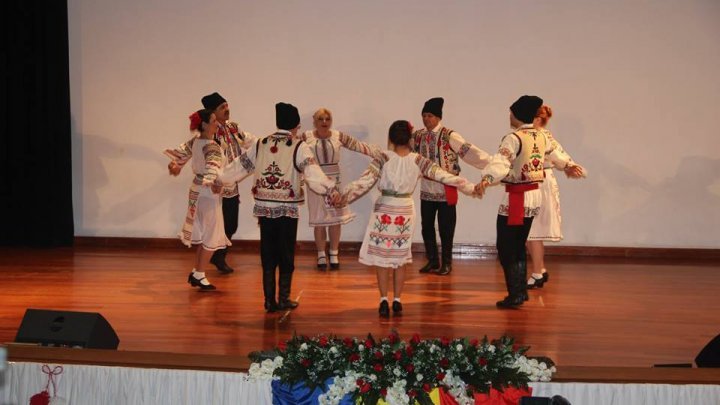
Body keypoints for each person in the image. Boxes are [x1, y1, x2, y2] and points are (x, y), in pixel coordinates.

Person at [337, 120, 475, 317]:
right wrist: (471, 187)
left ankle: (384, 299)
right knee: (400, 258)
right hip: (404, 209)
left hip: (385, 208)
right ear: (410, 138)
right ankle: (398, 301)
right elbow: (445, 176)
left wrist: (342, 196)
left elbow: (363, 182)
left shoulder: (383, 158)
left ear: (391, 138)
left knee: (382, 258)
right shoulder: (418, 160)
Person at [221, 102, 337, 313]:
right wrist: (331, 189)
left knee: (268, 253)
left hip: (264, 208)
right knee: (285, 254)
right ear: (295, 125)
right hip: (287, 209)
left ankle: (268, 301)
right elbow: (313, 175)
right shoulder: (299, 146)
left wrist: (220, 179)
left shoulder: (261, 143)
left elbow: (239, 166)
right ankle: (283, 299)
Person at [476, 96, 583, 309]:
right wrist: (569, 165)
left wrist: (487, 179)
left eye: (511, 112)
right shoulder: (541, 136)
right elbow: (556, 153)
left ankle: (515, 294)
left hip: (517, 196)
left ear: (517, 114)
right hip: (533, 196)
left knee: (507, 247)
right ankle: (520, 291)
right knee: (517, 244)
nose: (509, 115)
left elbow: (501, 162)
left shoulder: (514, 138)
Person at [165, 92, 255, 274]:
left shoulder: (233, 128)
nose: (227, 109)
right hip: (212, 188)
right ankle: (211, 261)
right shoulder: (207, 137)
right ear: (212, 115)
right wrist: (175, 164)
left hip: (230, 186)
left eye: (227, 105)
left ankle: (213, 258)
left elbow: (251, 141)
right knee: (212, 228)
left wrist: (266, 145)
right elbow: (186, 151)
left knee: (231, 225)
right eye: (222, 108)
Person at [412, 97, 490, 275]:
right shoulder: (418, 136)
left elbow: (470, 152)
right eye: (424, 115)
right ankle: (432, 260)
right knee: (427, 226)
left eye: (430, 115)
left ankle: (447, 263)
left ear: (438, 117)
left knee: (446, 227)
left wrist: (492, 164)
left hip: (447, 188)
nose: (426, 119)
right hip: (427, 188)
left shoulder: (449, 135)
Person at [299, 108, 379, 271]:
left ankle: (334, 253)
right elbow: (294, 154)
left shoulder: (338, 136)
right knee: (319, 220)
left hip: (334, 181)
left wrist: (383, 154)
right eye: (321, 119)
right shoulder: (305, 137)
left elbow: (359, 146)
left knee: (336, 219)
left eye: (327, 119)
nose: (324, 122)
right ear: (314, 121)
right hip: (315, 181)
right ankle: (321, 254)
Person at [526, 105, 586, 288]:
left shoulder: (542, 136)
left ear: (536, 119)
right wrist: (568, 165)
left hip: (540, 183)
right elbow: (559, 154)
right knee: (531, 231)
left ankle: (537, 272)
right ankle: (540, 269)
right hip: (535, 182)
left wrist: (568, 165)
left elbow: (556, 153)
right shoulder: (536, 135)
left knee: (533, 231)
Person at [180, 109, 230, 291]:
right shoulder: (211, 145)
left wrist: (175, 165)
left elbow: (180, 154)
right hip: (208, 193)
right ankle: (200, 274)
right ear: (204, 125)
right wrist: (215, 182)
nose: (217, 123)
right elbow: (213, 167)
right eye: (214, 120)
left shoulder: (195, 141)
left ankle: (196, 272)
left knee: (203, 234)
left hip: (196, 190)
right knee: (212, 233)